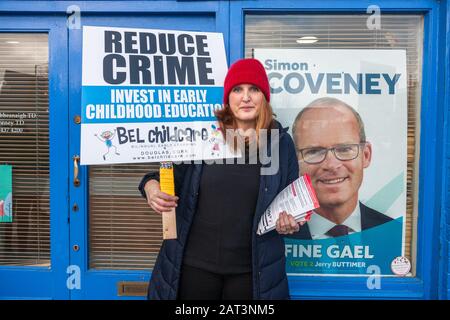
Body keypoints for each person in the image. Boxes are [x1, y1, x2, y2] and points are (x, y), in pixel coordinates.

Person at [139, 58, 301, 300]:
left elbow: (292, 202)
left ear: (264, 97)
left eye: (254, 89)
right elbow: (163, 177)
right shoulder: (203, 136)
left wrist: (291, 221)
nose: (246, 97)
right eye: (238, 89)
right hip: (193, 268)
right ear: (228, 98)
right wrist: (150, 187)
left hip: (252, 273)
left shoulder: (281, 144)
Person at [290, 97, 393, 240]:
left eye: (344, 149)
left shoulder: (390, 232)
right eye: (314, 152)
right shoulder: (277, 237)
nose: (331, 165)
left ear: (366, 155)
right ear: (295, 161)